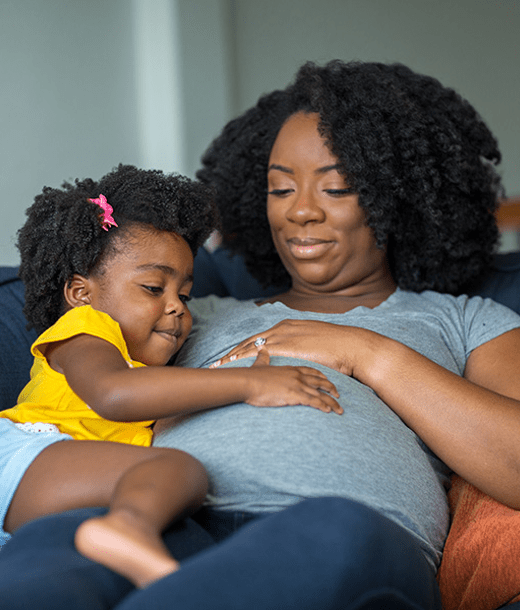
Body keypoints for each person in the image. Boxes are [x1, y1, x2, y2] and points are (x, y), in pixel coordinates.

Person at [1, 60, 520, 610]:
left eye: (337, 186)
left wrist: (367, 352)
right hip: (166, 516)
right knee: (57, 551)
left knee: (335, 529)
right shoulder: (183, 310)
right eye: (279, 188)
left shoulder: (466, 320)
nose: (300, 211)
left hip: (345, 531)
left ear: (400, 195)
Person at [0, 164, 341, 589]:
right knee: (177, 469)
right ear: (81, 293)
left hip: (43, 492)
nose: (178, 307)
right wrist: (250, 383)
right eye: (152, 288)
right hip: (24, 452)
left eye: (183, 294)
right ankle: (130, 526)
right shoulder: (85, 331)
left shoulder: (151, 367)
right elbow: (113, 395)